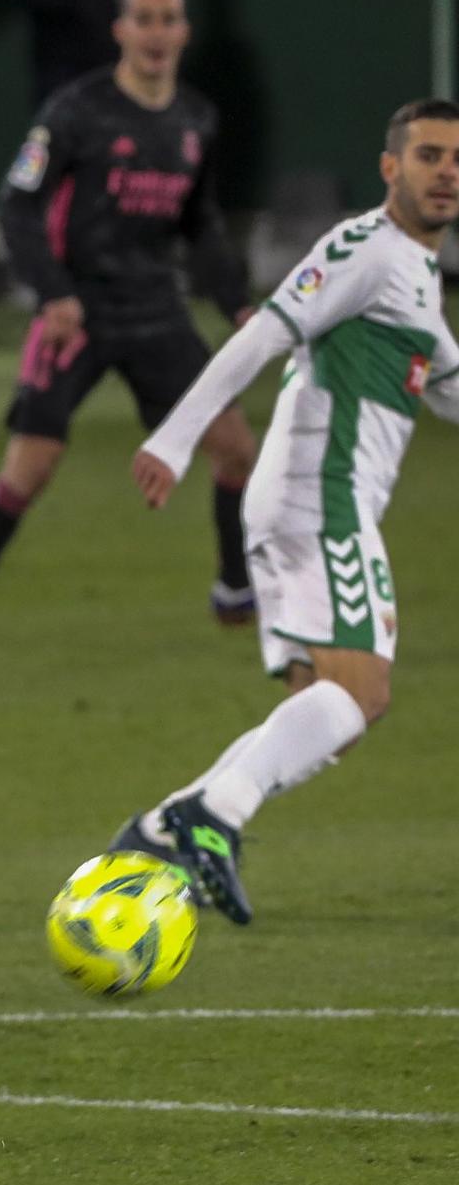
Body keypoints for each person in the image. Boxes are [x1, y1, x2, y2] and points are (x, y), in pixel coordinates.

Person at [109, 101, 459, 924]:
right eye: (430, 155)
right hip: (320, 497)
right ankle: (211, 815)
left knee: (321, 707)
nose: (447, 172)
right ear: (391, 168)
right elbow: (263, 335)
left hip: (309, 503)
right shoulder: (364, 248)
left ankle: (164, 825)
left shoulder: (414, 279)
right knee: (363, 692)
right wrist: (177, 436)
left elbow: (446, 379)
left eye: (457, 159)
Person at [0, 0, 256, 648]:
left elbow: (202, 225)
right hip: (78, 315)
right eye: (144, 20)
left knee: (238, 452)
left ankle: (235, 585)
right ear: (121, 30)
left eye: (168, 20)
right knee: (31, 468)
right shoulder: (75, 112)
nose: (155, 34)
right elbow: (19, 207)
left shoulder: (197, 119)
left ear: (183, 32)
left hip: (157, 311)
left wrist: (237, 304)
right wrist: (54, 294)